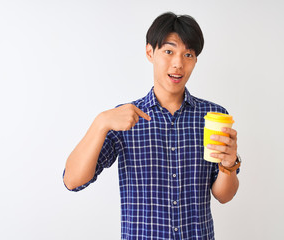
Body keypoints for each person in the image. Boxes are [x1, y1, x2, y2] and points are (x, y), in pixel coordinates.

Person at [63, 12, 241, 240]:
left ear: (195, 60)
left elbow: (224, 196)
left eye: (188, 54)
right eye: (169, 51)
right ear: (150, 52)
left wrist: (229, 165)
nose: (178, 63)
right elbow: (73, 181)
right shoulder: (124, 118)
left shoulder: (213, 118)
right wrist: (101, 122)